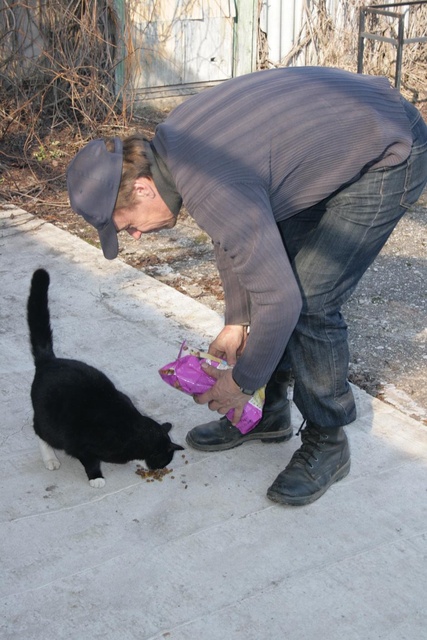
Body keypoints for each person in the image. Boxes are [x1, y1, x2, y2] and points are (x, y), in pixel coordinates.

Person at [66, 66, 427, 506]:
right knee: (279, 275)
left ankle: (329, 443)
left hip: (388, 149)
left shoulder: (210, 179)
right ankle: (268, 412)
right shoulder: (179, 149)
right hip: (346, 134)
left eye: (129, 227)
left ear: (142, 189)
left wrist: (240, 380)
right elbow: (232, 235)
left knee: (310, 300)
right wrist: (236, 320)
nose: (137, 236)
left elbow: (280, 299)